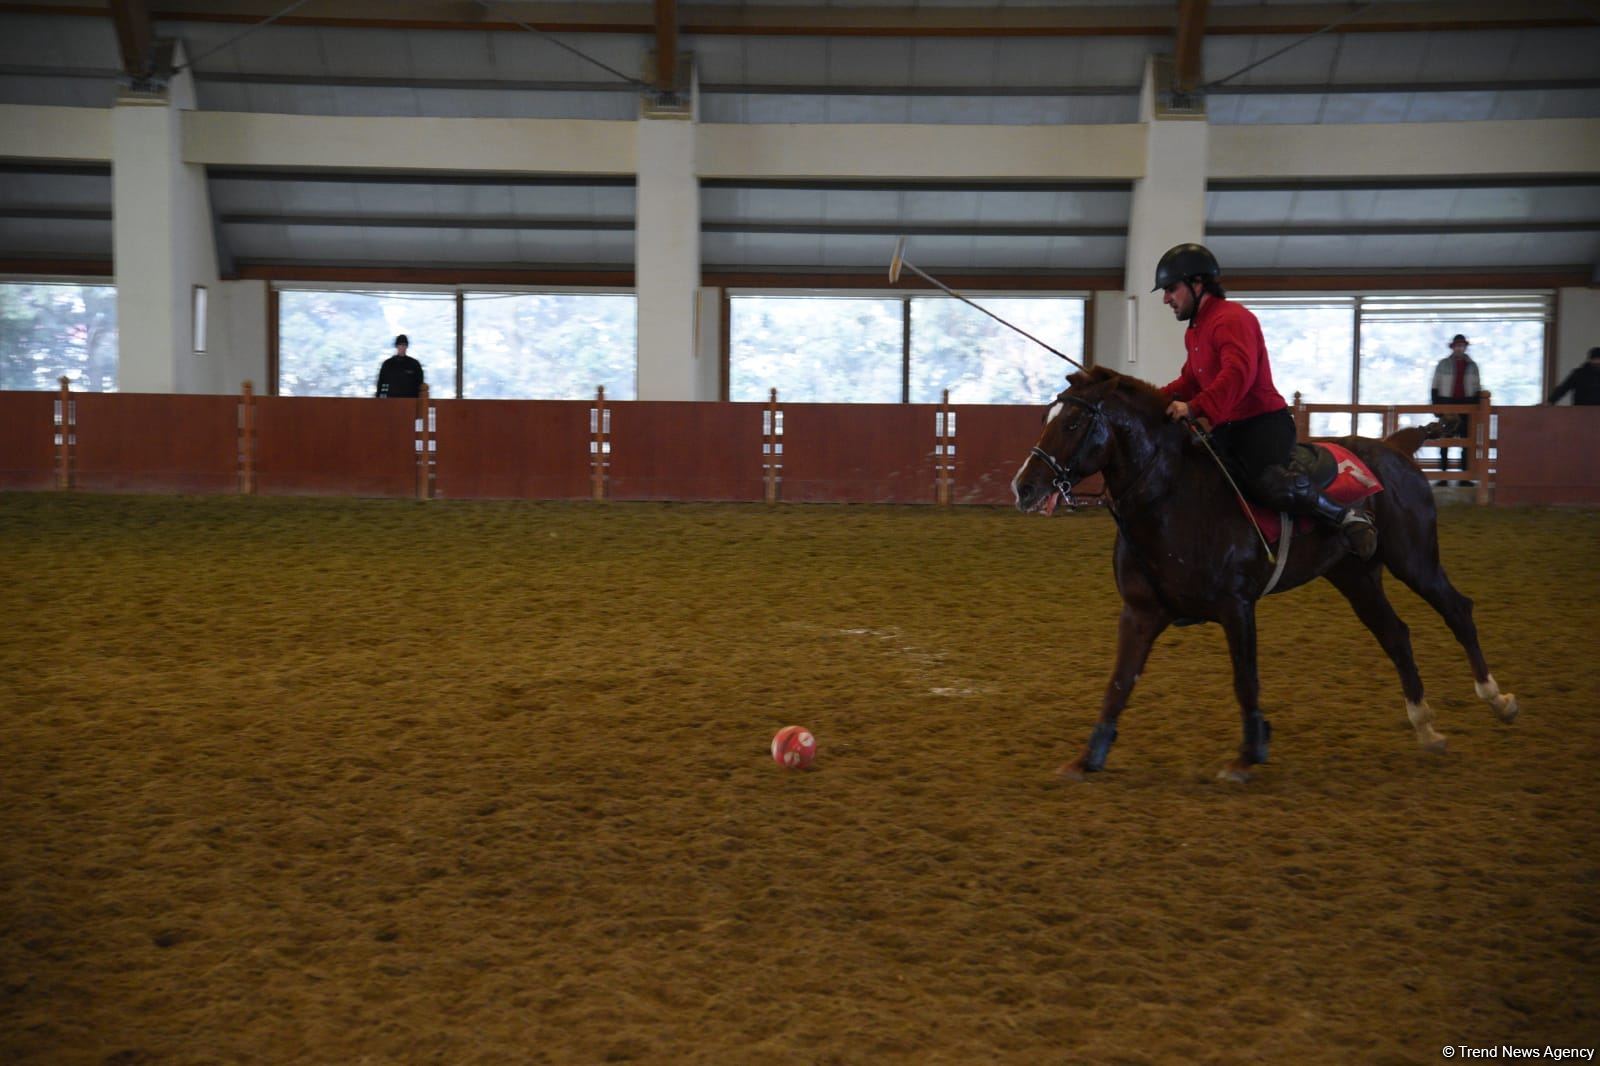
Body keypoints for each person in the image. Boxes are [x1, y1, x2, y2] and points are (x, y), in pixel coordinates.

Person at [1154, 242, 1378, 560]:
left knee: (1265, 481)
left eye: (1171, 289)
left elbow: (1237, 375)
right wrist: (1148, 398)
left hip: (1263, 425)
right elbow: (1190, 381)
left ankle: (1345, 516)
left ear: (1197, 283)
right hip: (1229, 428)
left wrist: (1193, 408)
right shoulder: (1195, 331)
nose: (1166, 299)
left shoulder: (1232, 319)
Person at [1430, 334, 1480, 482]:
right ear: (1453, 347)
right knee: (1445, 441)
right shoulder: (1442, 364)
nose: (1459, 348)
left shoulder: (1473, 366)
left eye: (1462, 345)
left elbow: (1477, 387)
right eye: (1457, 345)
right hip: (1447, 404)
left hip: (1467, 405)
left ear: (1465, 347)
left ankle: (1465, 477)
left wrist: (1476, 408)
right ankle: (1443, 476)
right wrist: (1437, 407)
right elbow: (1435, 386)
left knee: (1467, 442)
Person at [375, 334, 425, 399]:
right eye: (400, 345)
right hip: (391, 402)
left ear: (407, 346)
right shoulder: (387, 364)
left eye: (404, 345)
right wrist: (379, 400)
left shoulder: (414, 364)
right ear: (396, 346)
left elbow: (420, 385)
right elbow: (381, 384)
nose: (402, 347)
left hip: (410, 402)